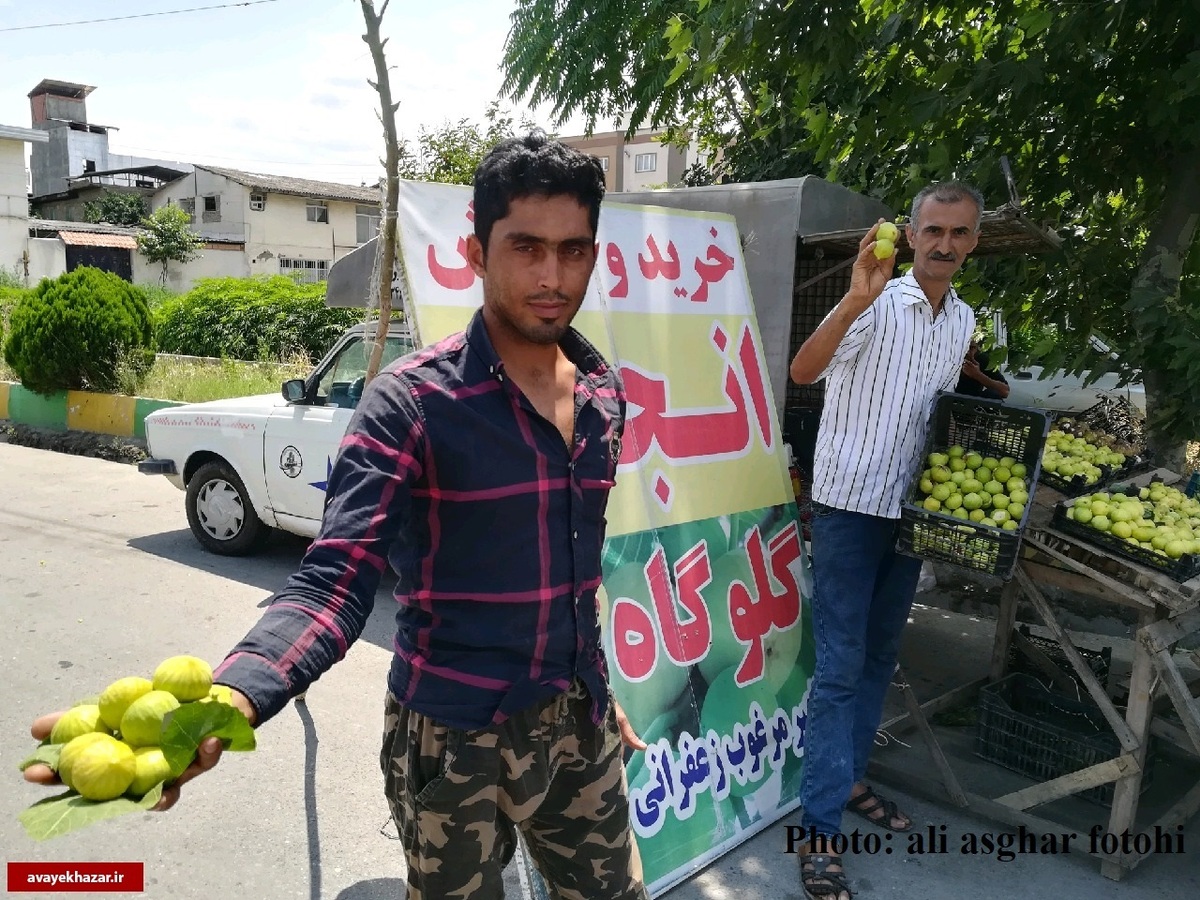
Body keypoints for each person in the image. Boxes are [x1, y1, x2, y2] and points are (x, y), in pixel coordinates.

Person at [26, 132, 650, 900]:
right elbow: (335, 577)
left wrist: (598, 683)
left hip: (579, 726)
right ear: (477, 253)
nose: (553, 276)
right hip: (452, 738)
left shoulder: (602, 392)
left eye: (573, 250)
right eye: (526, 247)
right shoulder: (413, 403)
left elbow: (577, 564)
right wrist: (237, 693)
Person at [787, 182, 982, 900]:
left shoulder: (960, 321)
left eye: (959, 233)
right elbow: (804, 371)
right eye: (933, 230)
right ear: (912, 232)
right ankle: (817, 833)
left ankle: (850, 778)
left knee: (878, 655)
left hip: (910, 513)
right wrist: (853, 299)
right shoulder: (878, 303)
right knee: (839, 667)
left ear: (972, 241)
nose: (944, 244)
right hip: (846, 509)